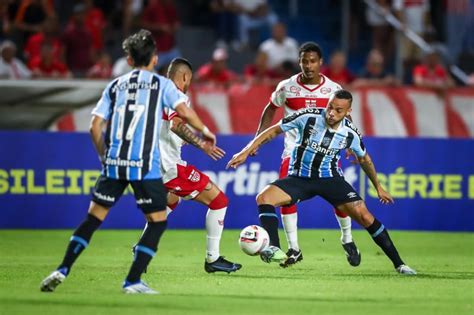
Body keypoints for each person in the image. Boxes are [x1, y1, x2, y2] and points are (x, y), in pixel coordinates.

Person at [40, 29, 218, 294]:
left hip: (114, 163)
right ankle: (132, 280)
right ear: (155, 59)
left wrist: (105, 156)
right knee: (157, 222)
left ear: (129, 60)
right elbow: (183, 112)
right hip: (144, 165)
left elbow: (95, 126)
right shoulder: (162, 85)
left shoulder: (115, 85)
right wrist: (205, 132)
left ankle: (62, 268)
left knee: (93, 219)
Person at [227, 90, 417, 276]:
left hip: (330, 179)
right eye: (330, 107)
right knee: (264, 197)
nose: (332, 113)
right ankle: (274, 247)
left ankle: (400, 264)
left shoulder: (350, 134)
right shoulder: (308, 116)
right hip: (299, 178)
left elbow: (364, 159)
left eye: (338, 110)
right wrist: (245, 151)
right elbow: (274, 130)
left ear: (348, 112)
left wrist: (378, 187)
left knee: (366, 217)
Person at [253, 42, 360, 268]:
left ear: (321, 63)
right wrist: (258, 137)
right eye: (304, 61)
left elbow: (344, 117)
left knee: (341, 200)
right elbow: (271, 107)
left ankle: (347, 238)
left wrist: (350, 143)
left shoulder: (332, 89)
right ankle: (294, 248)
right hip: (292, 153)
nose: (308, 66)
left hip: (325, 153)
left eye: (312, 61)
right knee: (286, 199)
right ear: (299, 61)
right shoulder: (287, 86)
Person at [134, 57, 242, 273]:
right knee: (219, 201)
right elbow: (175, 124)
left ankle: (142, 247)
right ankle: (213, 259)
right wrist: (202, 144)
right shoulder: (176, 95)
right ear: (184, 77)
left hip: (149, 163)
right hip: (168, 166)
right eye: (189, 80)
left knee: (172, 200)